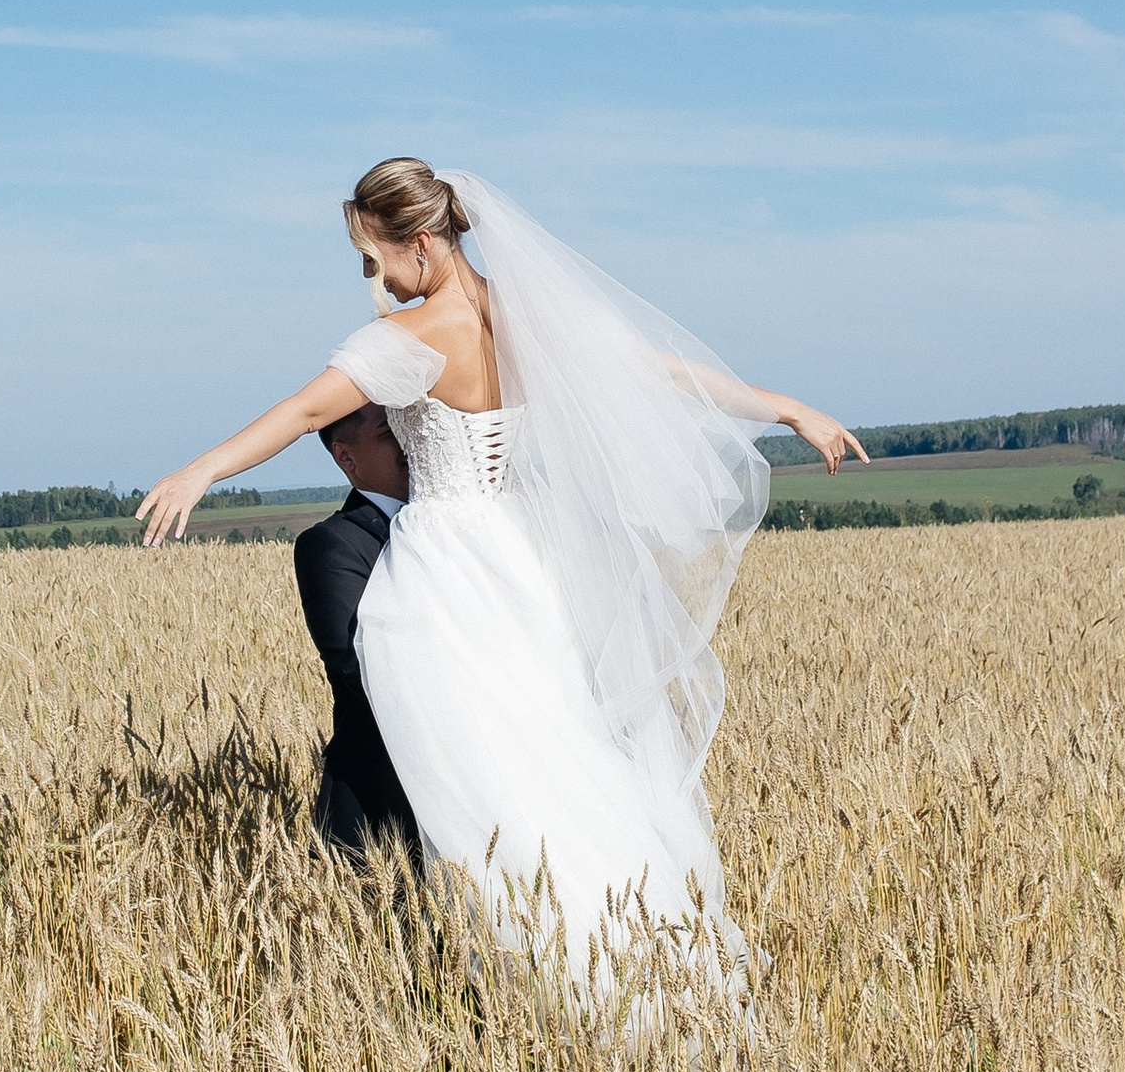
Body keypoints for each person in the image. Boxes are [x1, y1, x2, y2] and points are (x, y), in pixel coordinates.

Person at [140, 158, 866, 983]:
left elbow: (307, 410)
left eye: (376, 259)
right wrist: (786, 406)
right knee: (556, 757)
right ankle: (631, 954)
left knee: (485, 773)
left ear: (422, 241)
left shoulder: (410, 341)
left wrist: (202, 470)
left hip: (448, 566)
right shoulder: (531, 316)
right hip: (525, 560)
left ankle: (545, 967)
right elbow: (656, 371)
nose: (372, 279)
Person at [291, 400, 423, 866]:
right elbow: (357, 665)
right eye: (389, 432)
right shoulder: (331, 544)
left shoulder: (467, 528)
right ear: (346, 457)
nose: (409, 442)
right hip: (385, 807)